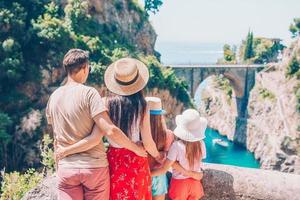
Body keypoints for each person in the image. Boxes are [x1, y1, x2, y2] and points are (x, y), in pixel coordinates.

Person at [55, 57, 163, 200]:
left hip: (114, 159)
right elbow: (148, 142)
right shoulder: (142, 105)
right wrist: (157, 155)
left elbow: (100, 133)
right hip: (136, 159)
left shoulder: (105, 102)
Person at [151, 109, 207, 200]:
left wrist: (148, 174)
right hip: (195, 183)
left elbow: (164, 169)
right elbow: (200, 161)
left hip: (180, 184)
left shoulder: (176, 146)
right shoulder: (201, 144)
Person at [145, 97, 174, 200]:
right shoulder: (168, 134)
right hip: (159, 175)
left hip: (143, 173)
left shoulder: (139, 134)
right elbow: (166, 157)